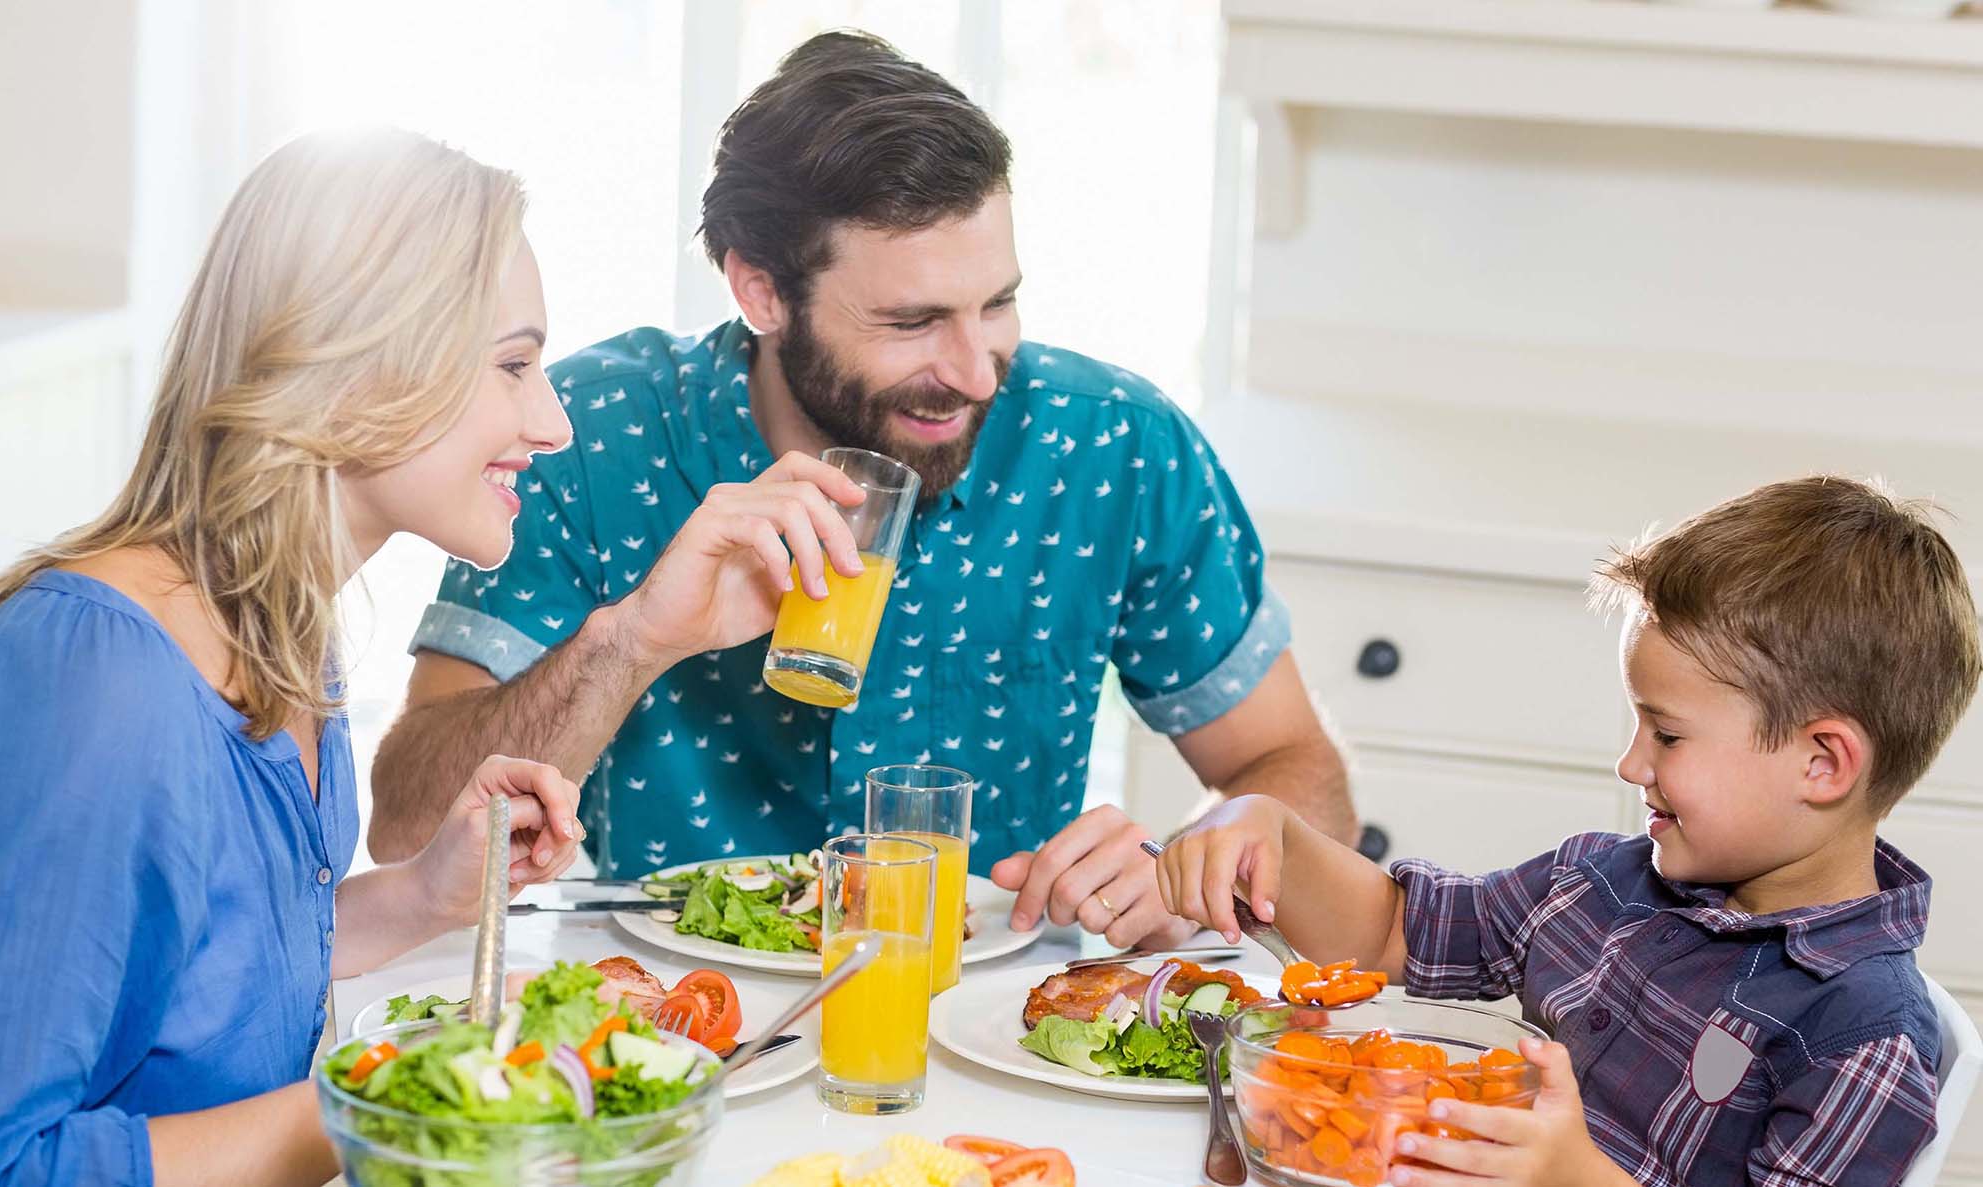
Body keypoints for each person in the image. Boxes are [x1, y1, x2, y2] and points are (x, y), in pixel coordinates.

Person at [368, 31, 1354, 950]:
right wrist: (629, 644)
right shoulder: (591, 435)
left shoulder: (1113, 446)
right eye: (913, 321)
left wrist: (1186, 865)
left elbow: (1297, 774)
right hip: (679, 1027)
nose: (976, 371)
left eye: (998, 303)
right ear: (760, 291)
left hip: (996, 1021)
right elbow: (408, 829)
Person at [0, 129, 588, 1187]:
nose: (553, 421)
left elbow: (199, 983)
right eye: (514, 366)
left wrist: (423, 894)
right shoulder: (93, 678)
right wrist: (386, 1097)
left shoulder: (283, 627)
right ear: (358, 367)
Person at [1159, 476, 1978, 1186]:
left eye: (1667, 734)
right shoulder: (1604, 883)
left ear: (1823, 764)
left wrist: (1573, 1176)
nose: (1631, 763)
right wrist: (1271, 827)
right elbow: (1390, 931)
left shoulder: (1863, 1037)